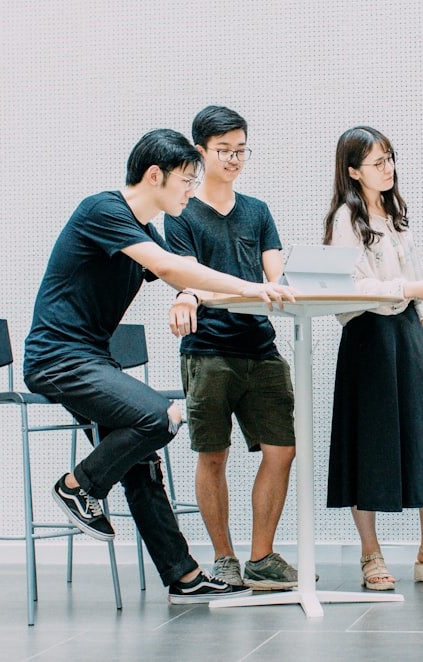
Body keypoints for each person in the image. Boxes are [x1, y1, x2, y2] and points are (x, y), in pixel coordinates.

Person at [23, 128, 295, 605]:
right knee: (159, 416)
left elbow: (186, 274)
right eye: (187, 181)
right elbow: (172, 269)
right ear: (156, 176)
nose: (192, 192)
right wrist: (250, 288)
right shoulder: (102, 211)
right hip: (57, 357)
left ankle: (184, 576)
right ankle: (77, 486)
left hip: (91, 358)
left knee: (142, 464)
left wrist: (222, 289)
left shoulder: (142, 231)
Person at [322, 126, 423, 590]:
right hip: (368, 338)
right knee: (368, 443)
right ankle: (371, 555)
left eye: (390, 158)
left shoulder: (394, 212)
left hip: (408, 333)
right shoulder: (345, 219)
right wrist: (412, 291)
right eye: (377, 162)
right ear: (353, 171)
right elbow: (350, 288)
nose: (388, 169)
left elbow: (415, 275)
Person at [164, 106, 299, 590]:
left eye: (242, 150)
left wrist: (283, 282)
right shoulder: (181, 214)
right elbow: (186, 277)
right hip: (208, 352)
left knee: (282, 449)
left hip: (261, 349)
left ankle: (262, 556)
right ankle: (224, 558)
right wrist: (192, 294)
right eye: (225, 151)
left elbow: (273, 275)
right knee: (212, 455)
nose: (235, 159)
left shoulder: (258, 211)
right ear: (200, 152)